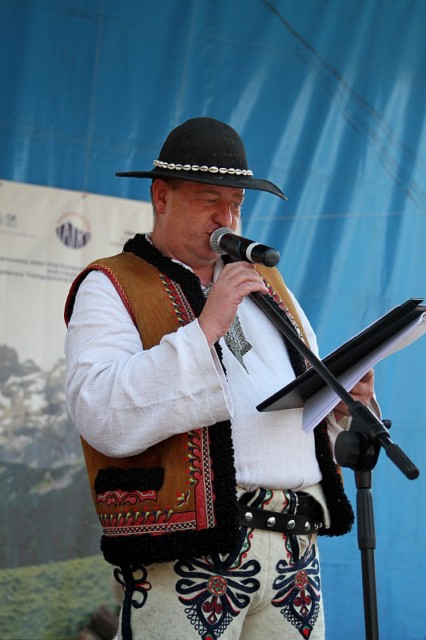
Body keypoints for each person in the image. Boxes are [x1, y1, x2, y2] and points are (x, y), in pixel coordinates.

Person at [64, 117, 376, 640]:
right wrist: (205, 328)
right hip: (190, 549)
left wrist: (338, 405)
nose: (226, 218)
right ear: (161, 196)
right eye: (210, 199)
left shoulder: (268, 285)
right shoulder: (112, 283)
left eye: (236, 203)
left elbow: (296, 410)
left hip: (295, 546)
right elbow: (101, 412)